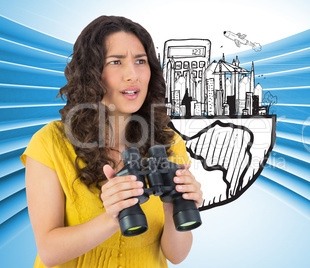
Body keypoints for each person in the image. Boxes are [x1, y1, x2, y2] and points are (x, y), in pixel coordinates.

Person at [21, 15, 203, 268]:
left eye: (141, 61)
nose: (133, 75)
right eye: (116, 62)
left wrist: (176, 206)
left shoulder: (169, 143)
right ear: (91, 73)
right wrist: (113, 216)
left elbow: (177, 255)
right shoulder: (50, 143)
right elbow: (49, 251)